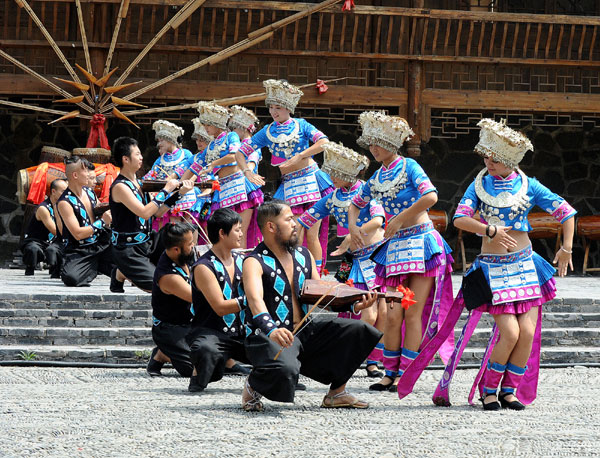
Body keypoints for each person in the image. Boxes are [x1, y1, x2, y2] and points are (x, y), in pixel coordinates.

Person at [428, 118, 576, 410]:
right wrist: (489, 230)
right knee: (510, 332)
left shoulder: (529, 185)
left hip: (526, 266)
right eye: (487, 156)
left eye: (496, 158)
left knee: (528, 334)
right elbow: (460, 218)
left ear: (510, 160)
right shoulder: (479, 185)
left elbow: (566, 211)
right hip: (494, 268)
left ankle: (509, 390)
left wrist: (567, 248)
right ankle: (488, 388)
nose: (489, 161)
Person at [241, 200, 382, 412]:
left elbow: (321, 296)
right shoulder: (253, 261)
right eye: (288, 219)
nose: (295, 224)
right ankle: (253, 386)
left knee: (361, 330)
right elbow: (255, 301)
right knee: (285, 370)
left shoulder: (303, 255)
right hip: (269, 335)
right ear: (271, 226)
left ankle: (337, 393)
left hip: (305, 331)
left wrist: (354, 305)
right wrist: (272, 330)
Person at [348, 112, 454, 393]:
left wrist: (399, 218)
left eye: (379, 143)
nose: (374, 148)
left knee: (412, 313)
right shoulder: (376, 177)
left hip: (421, 244)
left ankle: (407, 372)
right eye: (371, 143)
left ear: (393, 144)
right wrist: (352, 226)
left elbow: (430, 196)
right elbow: (355, 203)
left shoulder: (410, 167)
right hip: (395, 249)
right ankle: (388, 372)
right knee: (393, 315)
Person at [297, 141, 387, 377]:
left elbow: (378, 221)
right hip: (350, 260)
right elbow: (305, 219)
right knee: (345, 304)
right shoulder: (332, 197)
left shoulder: (367, 191)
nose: (331, 178)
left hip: (375, 257)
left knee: (378, 310)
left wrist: (350, 236)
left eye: (335, 174)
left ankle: (372, 359)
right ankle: (348, 352)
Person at [239, 79, 333, 272]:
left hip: (310, 181)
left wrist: (300, 155)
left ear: (288, 108)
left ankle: (316, 278)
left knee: (312, 234)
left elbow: (324, 142)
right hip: (290, 185)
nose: (274, 112)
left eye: (278, 107)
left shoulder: (301, 125)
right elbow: (241, 152)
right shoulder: (267, 131)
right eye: (271, 107)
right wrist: (247, 172)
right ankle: (297, 272)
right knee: (295, 234)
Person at [109, 136, 193, 293]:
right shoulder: (120, 187)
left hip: (147, 243)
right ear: (125, 159)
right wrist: (166, 190)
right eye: (137, 154)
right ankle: (122, 270)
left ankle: (120, 273)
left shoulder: (139, 184)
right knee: (161, 285)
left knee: (178, 242)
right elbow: (145, 213)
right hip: (128, 249)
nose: (141, 157)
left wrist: (179, 194)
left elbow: (157, 212)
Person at [179, 102, 263, 249]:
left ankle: (240, 269)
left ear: (217, 124)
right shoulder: (211, 145)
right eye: (204, 124)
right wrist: (180, 183)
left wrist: (213, 164)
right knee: (226, 233)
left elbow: (234, 155)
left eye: (208, 125)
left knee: (239, 233)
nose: (205, 128)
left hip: (240, 186)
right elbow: (195, 166)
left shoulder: (231, 137)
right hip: (224, 189)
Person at [186, 208, 250, 392]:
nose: (241, 234)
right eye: (237, 229)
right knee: (206, 349)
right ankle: (200, 372)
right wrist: (253, 298)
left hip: (242, 333)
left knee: (273, 346)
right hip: (212, 332)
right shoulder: (203, 267)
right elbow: (221, 308)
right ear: (222, 233)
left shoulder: (242, 260)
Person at [147, 222, 196, 377]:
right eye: (190, 244)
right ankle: (163, 353)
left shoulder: (184, 255)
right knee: (194, 369)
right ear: (176, 249)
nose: (194, 246)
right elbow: (198, 297)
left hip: (189, 322)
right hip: (169, 327)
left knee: (213, 356)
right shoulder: (168, 275)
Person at [57, 156, 114, 287]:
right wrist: (102, 222)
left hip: (101, 244)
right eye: (86, 171)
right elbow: (77, 233)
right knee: (71, 278)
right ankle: (96, 265)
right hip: (80, 250)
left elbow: (101, 212)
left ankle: (99, 264)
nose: (89, 174)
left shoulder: (90, 192)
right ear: (75, 175)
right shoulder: (64, 202)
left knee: (129, 266)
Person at [143, 120, 200, 231]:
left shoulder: (186, 154)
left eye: (162, 140)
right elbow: (151, 175)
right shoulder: (161, 159)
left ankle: (192, 247)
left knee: (189, 224)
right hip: (171, 194)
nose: (159, 144)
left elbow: (194, 170)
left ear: (170, 139)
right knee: (175, 224)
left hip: (187, 191)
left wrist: (190, 184)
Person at [229, 105, 263, 248]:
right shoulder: (239, 145)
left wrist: (247, 170)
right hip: (235, 186)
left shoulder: (252, 144)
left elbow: (252, 162)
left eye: (234, 129)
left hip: (246, 188)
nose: (233, 133)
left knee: (240, 231)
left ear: (242, 128)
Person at [20, 178, 67, 277]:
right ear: (53, 192)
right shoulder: (43, 208)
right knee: (32, 249)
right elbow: (55, 231)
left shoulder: (65, 206)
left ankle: (55, 269)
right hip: (37, 242)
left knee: (54, 249)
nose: (66, 194)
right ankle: (30, 268)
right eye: (63, 191)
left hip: (53, 243)